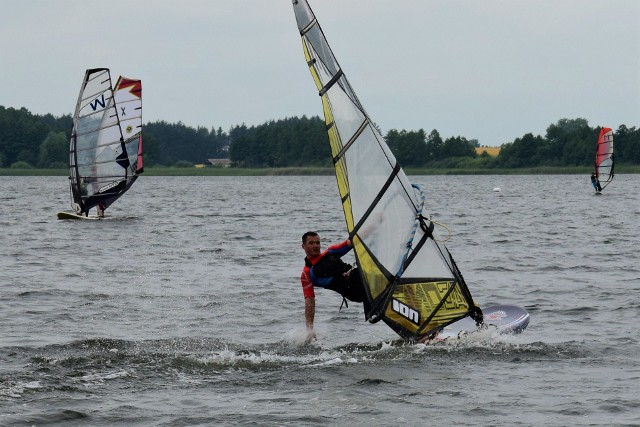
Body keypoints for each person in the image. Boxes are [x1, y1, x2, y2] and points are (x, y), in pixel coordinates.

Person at [300, 231, 367, 341]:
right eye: (311, 243)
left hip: (362, 278)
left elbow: (354, 240)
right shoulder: (307, 273)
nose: (315, 246)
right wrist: (310, 329)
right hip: (355, 292)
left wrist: (375, 223)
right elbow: (309, 301)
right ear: (303, 246)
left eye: (317, 243)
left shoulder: (331, 252)